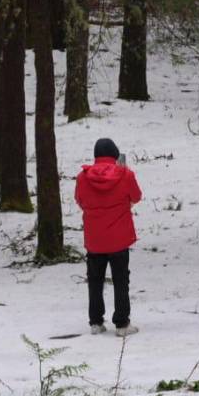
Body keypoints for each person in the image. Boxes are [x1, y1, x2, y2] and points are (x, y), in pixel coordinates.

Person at [75, 138, 142, 336]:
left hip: (94, 238)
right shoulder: (125, 174)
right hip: (119, 237)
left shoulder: (82, 177)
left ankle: (96, 322)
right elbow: (136, 196)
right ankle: (122, 323)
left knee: (95, 280)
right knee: (121, 280)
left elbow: (80, 200)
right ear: (115, 154)